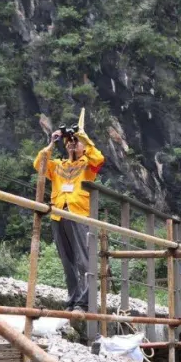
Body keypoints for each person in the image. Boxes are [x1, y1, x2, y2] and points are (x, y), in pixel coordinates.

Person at [33, 126, 105, 313]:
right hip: (59, 214)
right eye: (69, 142)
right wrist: (52, 142)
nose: (72, 145)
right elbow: (39, 163)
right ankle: (73, 299)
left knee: (84, 260)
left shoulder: (87, 165)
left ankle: (85, 302)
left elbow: (99, 158)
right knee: (68, 261)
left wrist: (84, 138)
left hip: (79, 214)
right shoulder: (58, 165)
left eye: (76, 142)